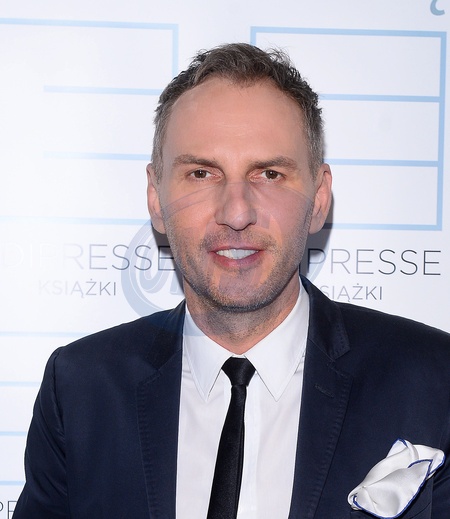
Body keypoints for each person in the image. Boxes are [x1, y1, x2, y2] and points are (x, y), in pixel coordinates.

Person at [13, 43, 450, 519]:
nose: (237, 213)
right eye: (201, 173)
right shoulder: (79, 389)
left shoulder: (433, 380)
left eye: (270, 174)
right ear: (156, 198)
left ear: (319, 199)